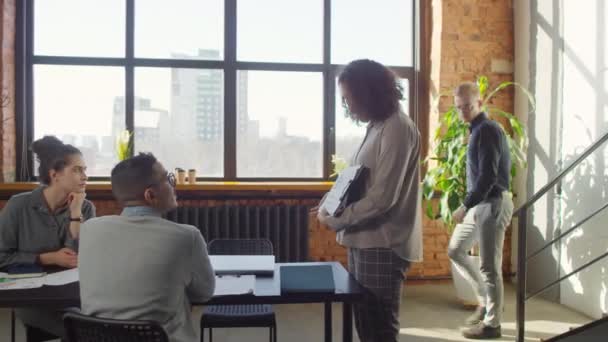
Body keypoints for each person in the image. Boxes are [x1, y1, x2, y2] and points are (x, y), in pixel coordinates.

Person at [316, 59, 422, 342]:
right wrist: (329, 202)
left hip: (382, 244)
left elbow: (382, 199)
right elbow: (355, 178)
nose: (348, 107)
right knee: (366, 325)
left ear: (370, 93)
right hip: (364, 240)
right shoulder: (377, 126)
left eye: (351, 99)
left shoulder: (397, 128)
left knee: (378, 330)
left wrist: (336, 219)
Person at [79, 153, 215, 342]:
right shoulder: (186, 237)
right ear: (150, 195)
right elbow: (204, 293)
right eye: (168, 179)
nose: (174, 185)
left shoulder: (88, 230)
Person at [0, 135, 95, 338]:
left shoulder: (85, 207)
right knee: (84, 332)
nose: (85, 176)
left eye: (85, 169)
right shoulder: (18, 205)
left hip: (74, 296)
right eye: (77, 170)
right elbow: (2, 256)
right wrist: (47, 258)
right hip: (31, 299)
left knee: (86, 322)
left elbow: (78, 257)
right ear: (55, 175)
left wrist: (76, 213)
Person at [447, 82, 514, 339]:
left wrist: (465, 206)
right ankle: (485, 301)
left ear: (480, 103)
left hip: (494, 203)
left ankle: (492, 325)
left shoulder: (487, 130)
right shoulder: (476, 130)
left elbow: (488, 176)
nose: (463, 111)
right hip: (481, 204)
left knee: (489, 267)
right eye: (459, 107)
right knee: (456, 249)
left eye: (468, 106)